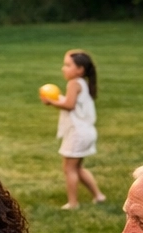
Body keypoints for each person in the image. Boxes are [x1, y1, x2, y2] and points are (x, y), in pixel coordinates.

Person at [41, 50, 105, 209]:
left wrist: (51, 101)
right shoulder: (82, 83)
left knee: (69, 169)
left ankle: (73, 203)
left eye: (68, 65)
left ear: (80, 69)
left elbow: (69, 105)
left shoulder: (73, 83)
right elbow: (72, 104)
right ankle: (98, 195)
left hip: (78, 133)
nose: (64, 68)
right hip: (86, 131)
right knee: (77, 168)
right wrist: (58, 99)